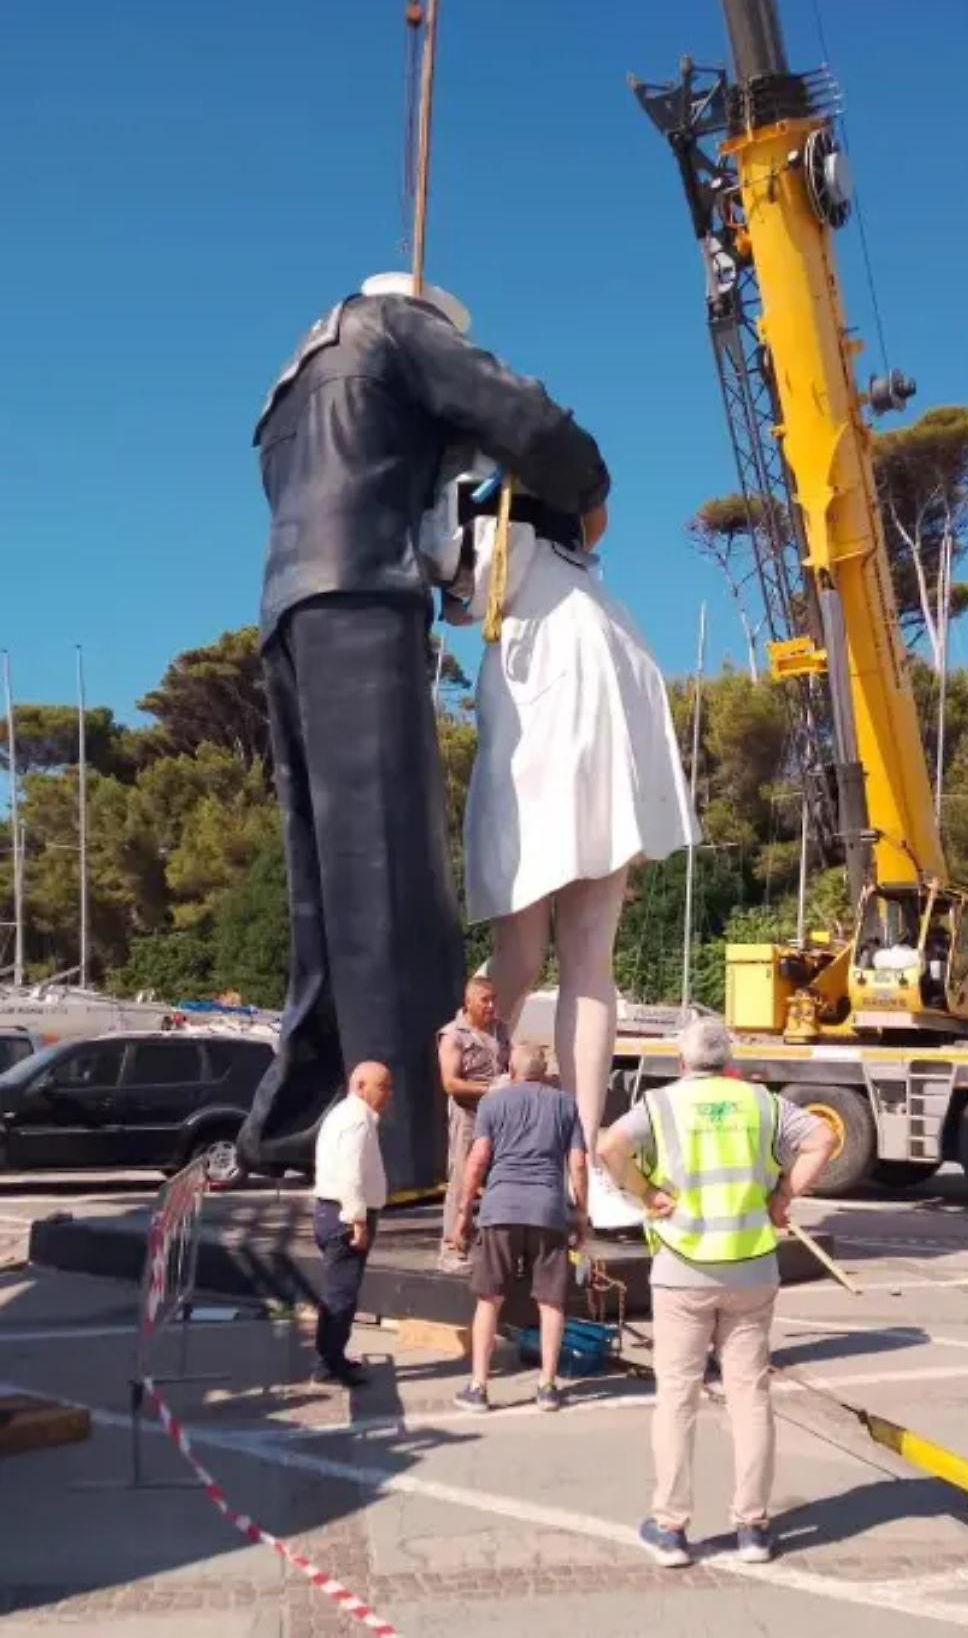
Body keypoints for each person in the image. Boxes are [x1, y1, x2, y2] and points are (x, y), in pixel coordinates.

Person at [238, 271, 609, 1194]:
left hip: (288, 607)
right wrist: (585, 483)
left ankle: (300, 1120)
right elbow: (523, 418)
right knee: (392, 878)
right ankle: (405, 1153)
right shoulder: (394, 327)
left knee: (325, 895)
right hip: (363, 599)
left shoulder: (290, 385)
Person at [448, 480, 697, 1226]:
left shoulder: (509, 552)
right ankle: (565, 1148)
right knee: (569, 961)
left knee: (538, 958)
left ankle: (549, 1147)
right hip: (591, 724)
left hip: (556, 733)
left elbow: (458, 582)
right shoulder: (595, 595)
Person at [597, 1018, 835, 1568]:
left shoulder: (661, 1105)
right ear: (729, 1061)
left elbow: (610, 1146)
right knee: (749, 1397)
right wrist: (784, 1196)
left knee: (677, 1397)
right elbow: (822, 1138)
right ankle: (753, 1526)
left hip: (683, 1268)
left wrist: (646, 1193)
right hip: (751, 1268)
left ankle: (671, 1528)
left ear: (681, 1062)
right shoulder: (761, 1103)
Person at [451, 1041, 588, 1413]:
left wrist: (464, 1212)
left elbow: (478, 1159)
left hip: (500, 1209)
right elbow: (577, 1162)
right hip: (548, 1211)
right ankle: (547, 1386)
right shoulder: (565, 1104)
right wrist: (581, 1214)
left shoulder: (493, 1103)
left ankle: (478, 1387)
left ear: (511, 1071)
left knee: (489, 1299)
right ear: (544, 1073)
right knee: (551, 1302)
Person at [311, 1060, 393, 1388]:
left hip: (333, 1213)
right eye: (383, 1086)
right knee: (341, 1297)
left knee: (339, 1293)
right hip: (344, 1217)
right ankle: (329, 1365)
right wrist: (358, 1220)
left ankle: (331, 1358)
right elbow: (350, 1174)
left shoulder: (345, 1115)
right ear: (360, 1086)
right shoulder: (357, 1120)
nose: (388, 1094)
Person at [437, 974, 511, 1272]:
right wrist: (489, 1089)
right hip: (468, 1115)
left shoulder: (501, 1029)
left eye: (494, 999)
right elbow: (450, 1083)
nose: (491, 1006)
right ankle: (451, 1248)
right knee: (461, 1181)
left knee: (501, 1180)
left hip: (500, 1116)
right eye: (485, 1000)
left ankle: (493, 1249)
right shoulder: (453, 1036)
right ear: (468, 1002)